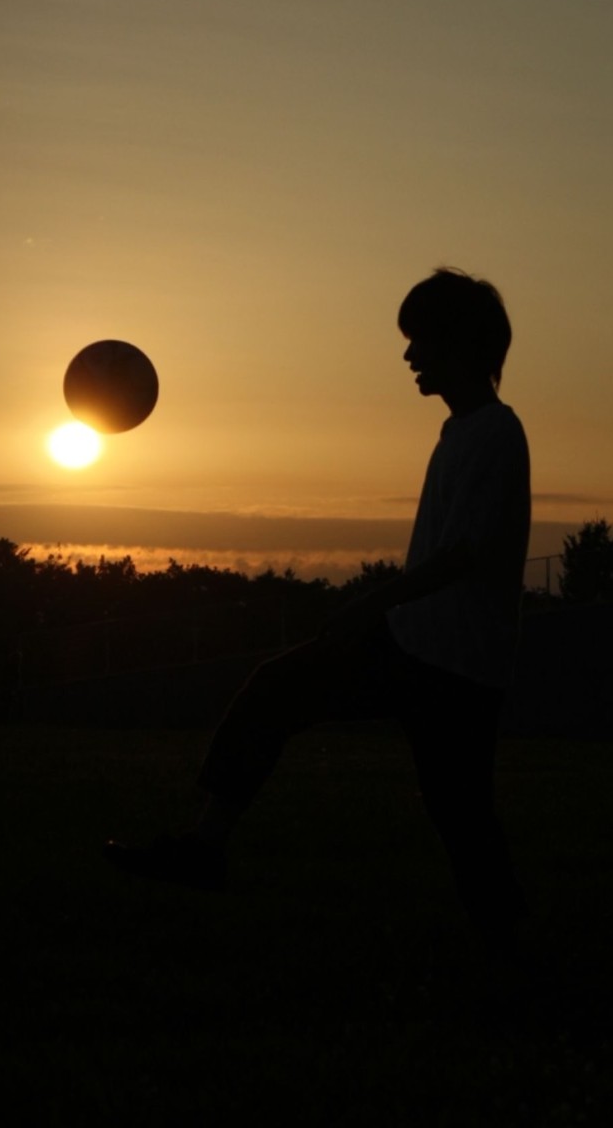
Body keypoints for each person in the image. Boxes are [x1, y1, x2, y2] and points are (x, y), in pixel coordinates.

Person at [105, 267, 531, 959]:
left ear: (456, 342)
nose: (407, 356)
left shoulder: (494, 435)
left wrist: (372, 602)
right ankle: (203, 846)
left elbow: (464, 554)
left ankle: (506, 938)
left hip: (454, 663)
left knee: (460, 810)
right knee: (277, 688)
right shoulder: (460, 433)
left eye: (419, 340)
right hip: (413, 647)